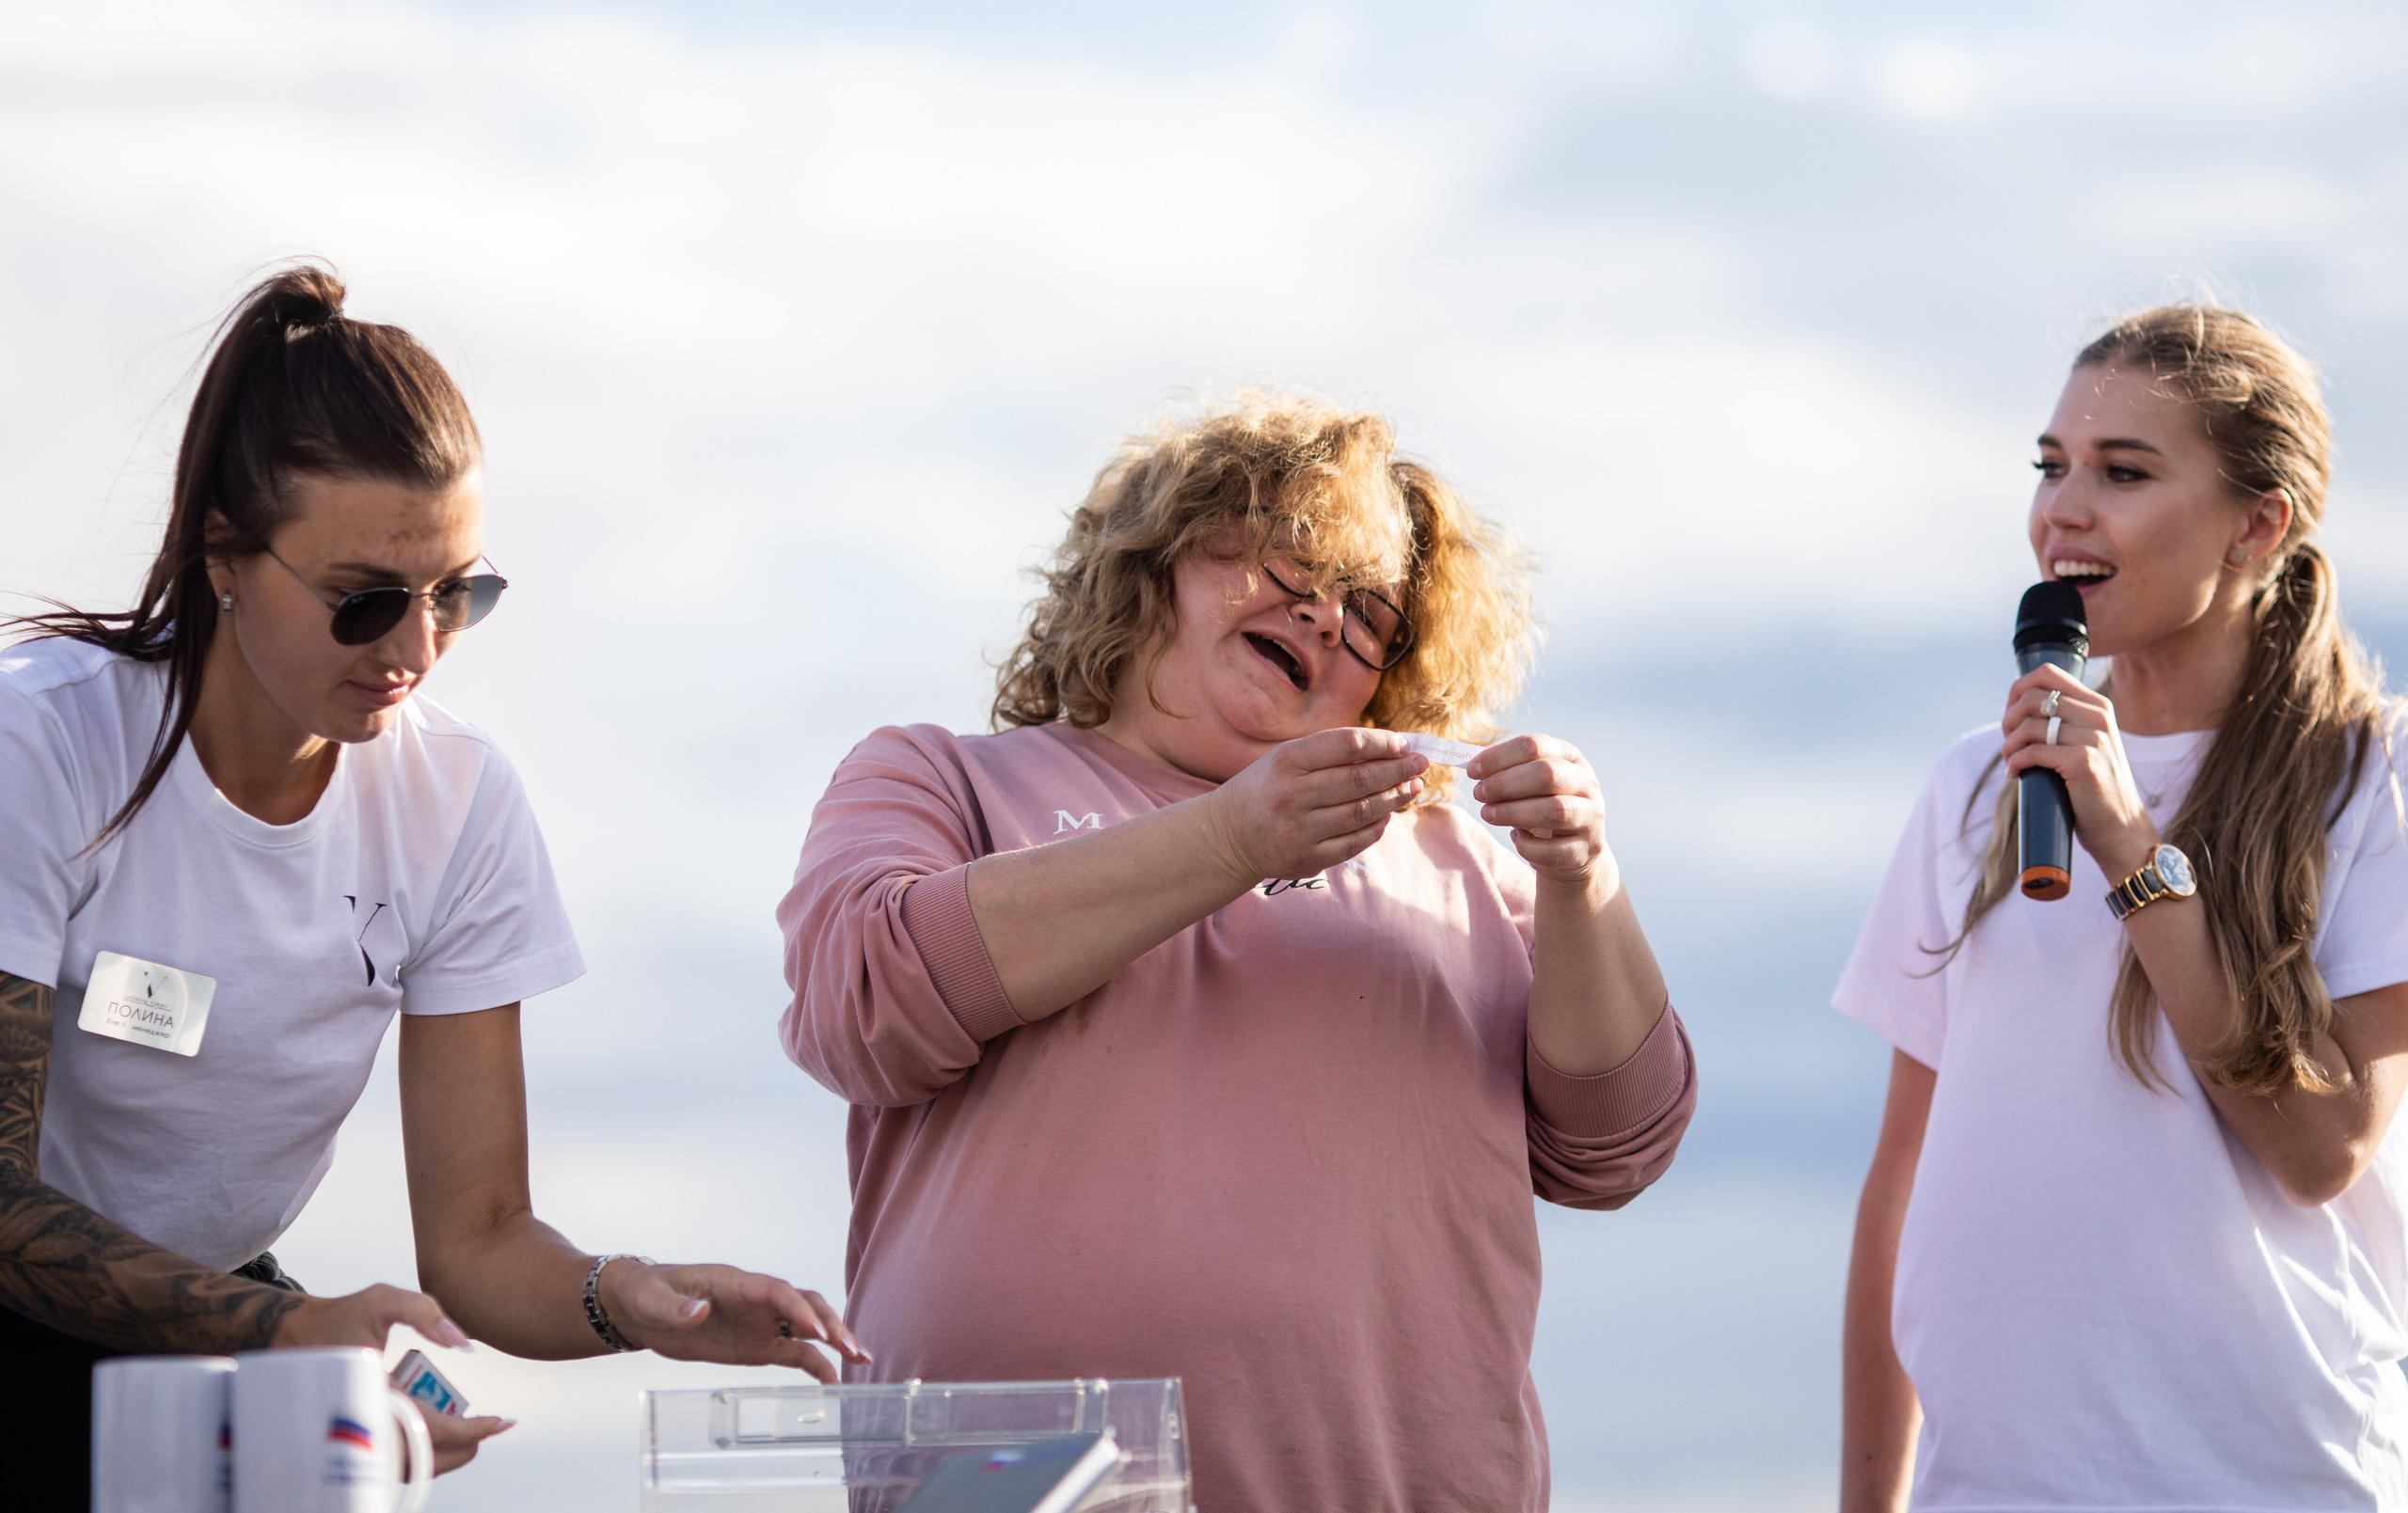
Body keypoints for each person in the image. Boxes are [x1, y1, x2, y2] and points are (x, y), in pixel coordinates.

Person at [0, 265, 866, 1505]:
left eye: (459, 593)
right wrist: (275, 1334)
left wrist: (630, 1298)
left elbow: (480, 1244)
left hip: (223, 1342)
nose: (416, 650)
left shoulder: (459, 801)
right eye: (364, 601)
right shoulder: (40, 743)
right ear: (225, 557)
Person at [779, 394, 1697, 1512]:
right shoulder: (941, 777)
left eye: (1370, 612)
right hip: (1001, 1484)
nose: (1321, 618)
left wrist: (1583, 872)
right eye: (1288, 563)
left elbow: (1617, 1144)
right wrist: (1230, 837)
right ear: (1154, 563)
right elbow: (859, 1004)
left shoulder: (1464, 858)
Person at [1837, 306, 2408, 1510]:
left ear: (2259, 524)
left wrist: (2129, 844)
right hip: (1989, 1483)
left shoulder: (2372, 779)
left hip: (2260, 1476)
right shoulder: (1974, 785)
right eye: (2051, 467)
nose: (2063, 510)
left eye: (2123, 472)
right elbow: (1901, 1180)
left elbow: (2321, 1147)